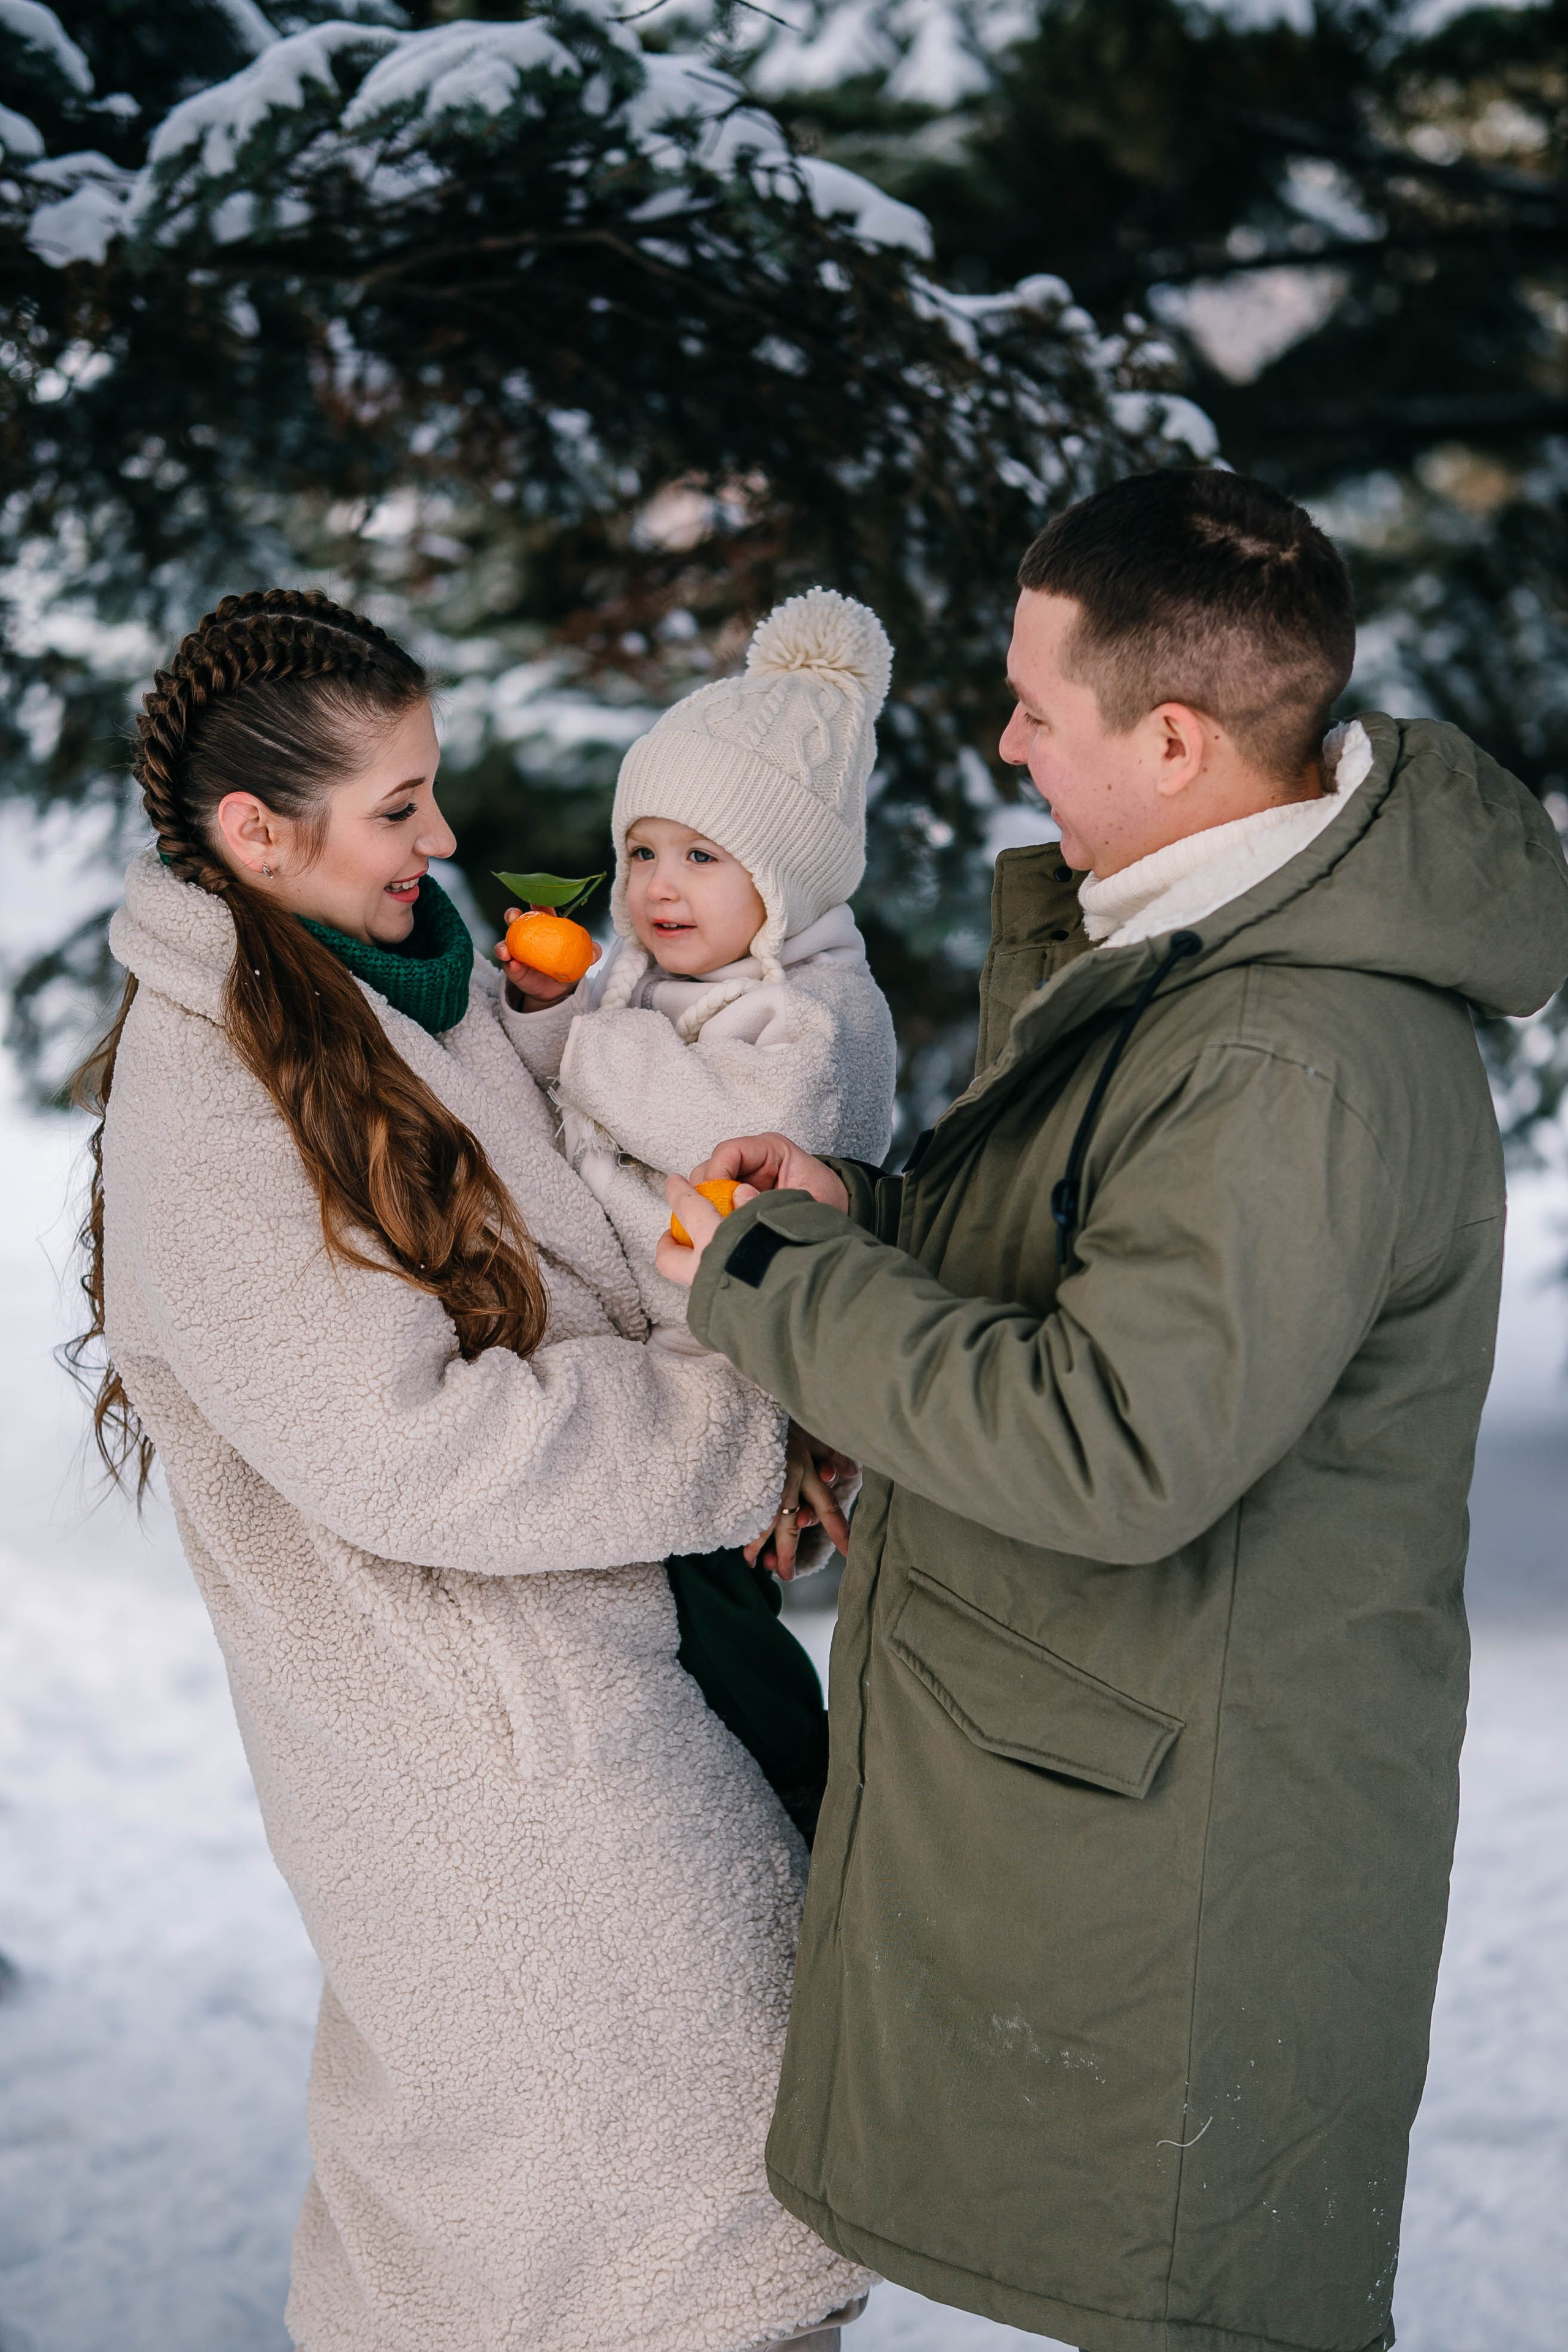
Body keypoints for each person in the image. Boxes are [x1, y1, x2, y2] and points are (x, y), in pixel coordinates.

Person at [656, 470, 1568, 2352]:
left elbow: (1114, 1446)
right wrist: (874, 1221)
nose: (1001, 742)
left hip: (1191, 1873)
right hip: (1126, 1816)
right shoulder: (1196, 967)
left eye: (1036, 709)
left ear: (1172, 736)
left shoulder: (1279, 1048)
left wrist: (776, 1279)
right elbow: (1117, 1281)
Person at [76, 589, 870, 2352]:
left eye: (432, 789)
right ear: (252, 834)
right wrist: (733, 1425)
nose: (445, 835)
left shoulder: (415, 982)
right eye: (398, 806)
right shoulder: (215, 1092)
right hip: (504, 1793)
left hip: (623, 1702)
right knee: (647, 2277)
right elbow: (413, 1447)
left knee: (673, 2265)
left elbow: (592, 1213)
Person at [497, 586, 898, 1838]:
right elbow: (550, 1071)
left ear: (781, 881)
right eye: (640, 852)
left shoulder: (814, 1015)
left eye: (701, 858)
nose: (657, 888)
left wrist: (589, 1052)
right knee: (658, 1620)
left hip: (738, 1368)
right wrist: (541, 1002)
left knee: (720, 1615)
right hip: (648, 1344)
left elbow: (717, 1120)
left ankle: (803, 1798)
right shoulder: (650, 976)